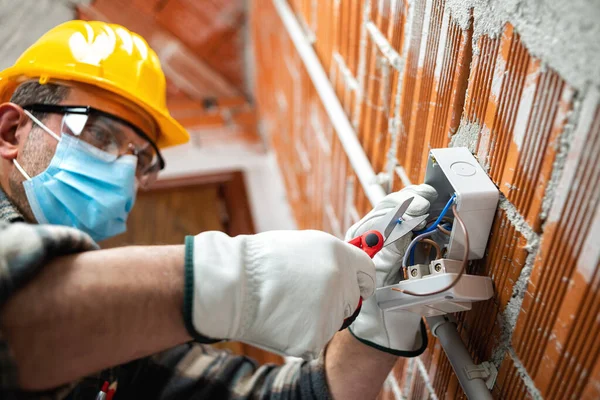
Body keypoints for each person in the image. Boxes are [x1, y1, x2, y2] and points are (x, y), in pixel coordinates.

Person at [0, 21, 433, 399]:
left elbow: (291, 395)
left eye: (141, 159)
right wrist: (235, 281)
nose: (123, 170)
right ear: (10, 131)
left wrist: (377, 324)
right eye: (97, 133)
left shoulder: (121, 341)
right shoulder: (107, 314)